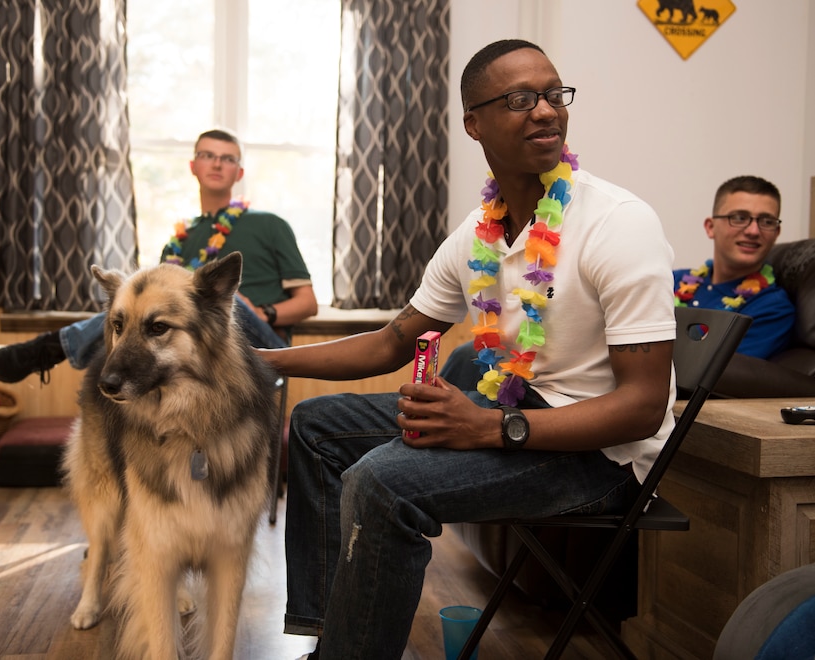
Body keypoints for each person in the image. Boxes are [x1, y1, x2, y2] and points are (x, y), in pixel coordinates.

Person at [259, 39, 677, 660]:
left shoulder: (619, 222)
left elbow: (644, 408)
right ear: (473, 123)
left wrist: (489, 428)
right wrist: (259, 362)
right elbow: (390, 342)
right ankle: (332, 640)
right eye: (519, 98)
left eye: (552, 94)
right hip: (518, 415)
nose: (544, 111)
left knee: (382, 483)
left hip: (600, 457)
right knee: (316, 427)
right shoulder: (479, 232)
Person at [0, 128, 318, 383]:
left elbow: (308, 302)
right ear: (193, 166)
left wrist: (264, 313)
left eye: (228, 158)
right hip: (194, 347)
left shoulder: (270, 225)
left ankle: (49, 349)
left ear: (239, 173)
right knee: (132, 308)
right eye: (208, 155)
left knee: (220, 306)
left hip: (257, 344)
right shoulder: (178, 239)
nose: (217, 163)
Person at [673, 175, 795, 359]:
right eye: (739, 218)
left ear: (776, 233)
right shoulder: (672, 281)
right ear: (710, 227)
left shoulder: (772, 308)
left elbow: (710, 375)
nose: (753, 231)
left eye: (767, 221)